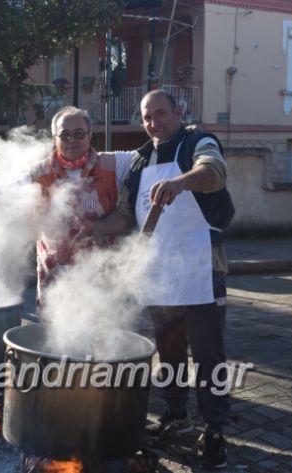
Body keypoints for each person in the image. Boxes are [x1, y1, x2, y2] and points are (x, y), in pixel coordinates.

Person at [96, 90, 233, 469]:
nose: (154, 122)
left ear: (177, 111)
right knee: (169, 352)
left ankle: (216, 430)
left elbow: (215, 173)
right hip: (159, 273)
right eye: (147, 117)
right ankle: (176, 415)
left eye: (161, 113)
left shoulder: (197, 142)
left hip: (201, 270)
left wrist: (181, 183)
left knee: (209, 357)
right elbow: (125, 214)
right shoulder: (141, 161)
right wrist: (91, 229)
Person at [24, 106, 133, 309]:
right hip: (53, 275)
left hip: (100, 274)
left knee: (101, 333)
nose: (72, 140)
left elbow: (152, 153)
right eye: (64, 135)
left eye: (79, 134)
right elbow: (6, 190)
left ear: (90, 135)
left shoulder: (114, 163)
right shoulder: (39, 171)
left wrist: (183, 135)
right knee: (52, 336)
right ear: (55, 138)